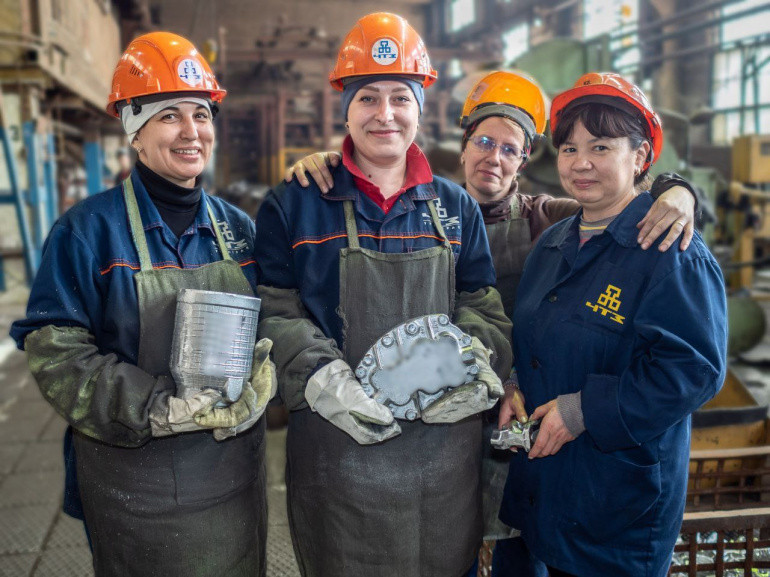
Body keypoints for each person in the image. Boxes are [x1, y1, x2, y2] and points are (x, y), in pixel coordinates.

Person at [285, 69, 698, 576]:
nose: (494, 157)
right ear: (462, 147)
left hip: (525, 425)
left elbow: (620, 206)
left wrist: (678, 191)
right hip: (447, 420)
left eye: (510, 149)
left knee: (517, 551)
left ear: (524, 161)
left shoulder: (548, 220)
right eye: (484, 142)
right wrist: (333, 164)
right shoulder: (434, 212)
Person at [254, 12, 512, 577]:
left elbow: (482, 305)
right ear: (345, 109)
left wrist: (469, 361)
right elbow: (274, 307)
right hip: (338, 457)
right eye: (368, 98)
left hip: (444, 464)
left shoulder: (455, 207)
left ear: (421, 108)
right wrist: (322, 377)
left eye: (400, 97)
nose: (385, 114)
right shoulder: (295, 203)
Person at [10, 32, 275, 576]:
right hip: (133, 483)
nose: (191, 131)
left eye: (201, 114)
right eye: (168, 115)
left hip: (229, 479)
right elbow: (55, 350)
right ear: (134, 130)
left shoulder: (238, 230)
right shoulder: (88, 232)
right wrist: (155, 405)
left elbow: (276, 321)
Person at [497, 72, 727, 577]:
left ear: (640, 156)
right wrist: (515, 382)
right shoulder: (552, 244)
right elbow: (533, 337)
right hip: (547, 493)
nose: (581, 163)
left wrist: (584, 411)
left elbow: (692, 371)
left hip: (617, 509)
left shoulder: (670, 250)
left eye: (600, 146)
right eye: (569, 148)